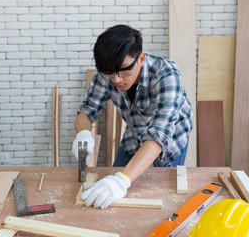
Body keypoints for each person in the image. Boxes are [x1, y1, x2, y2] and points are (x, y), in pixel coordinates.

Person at [72, 24, 192, 209]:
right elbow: (87, 110)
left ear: (141, 58)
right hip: (135, 132)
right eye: (110, 73)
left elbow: (159, 135)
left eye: (124, 70)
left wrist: (122, 181)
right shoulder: (108, 73)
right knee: (114, 184)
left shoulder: (166, 74)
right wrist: (83, 133)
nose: (117, 79)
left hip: (171, 136)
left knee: (163, 196)